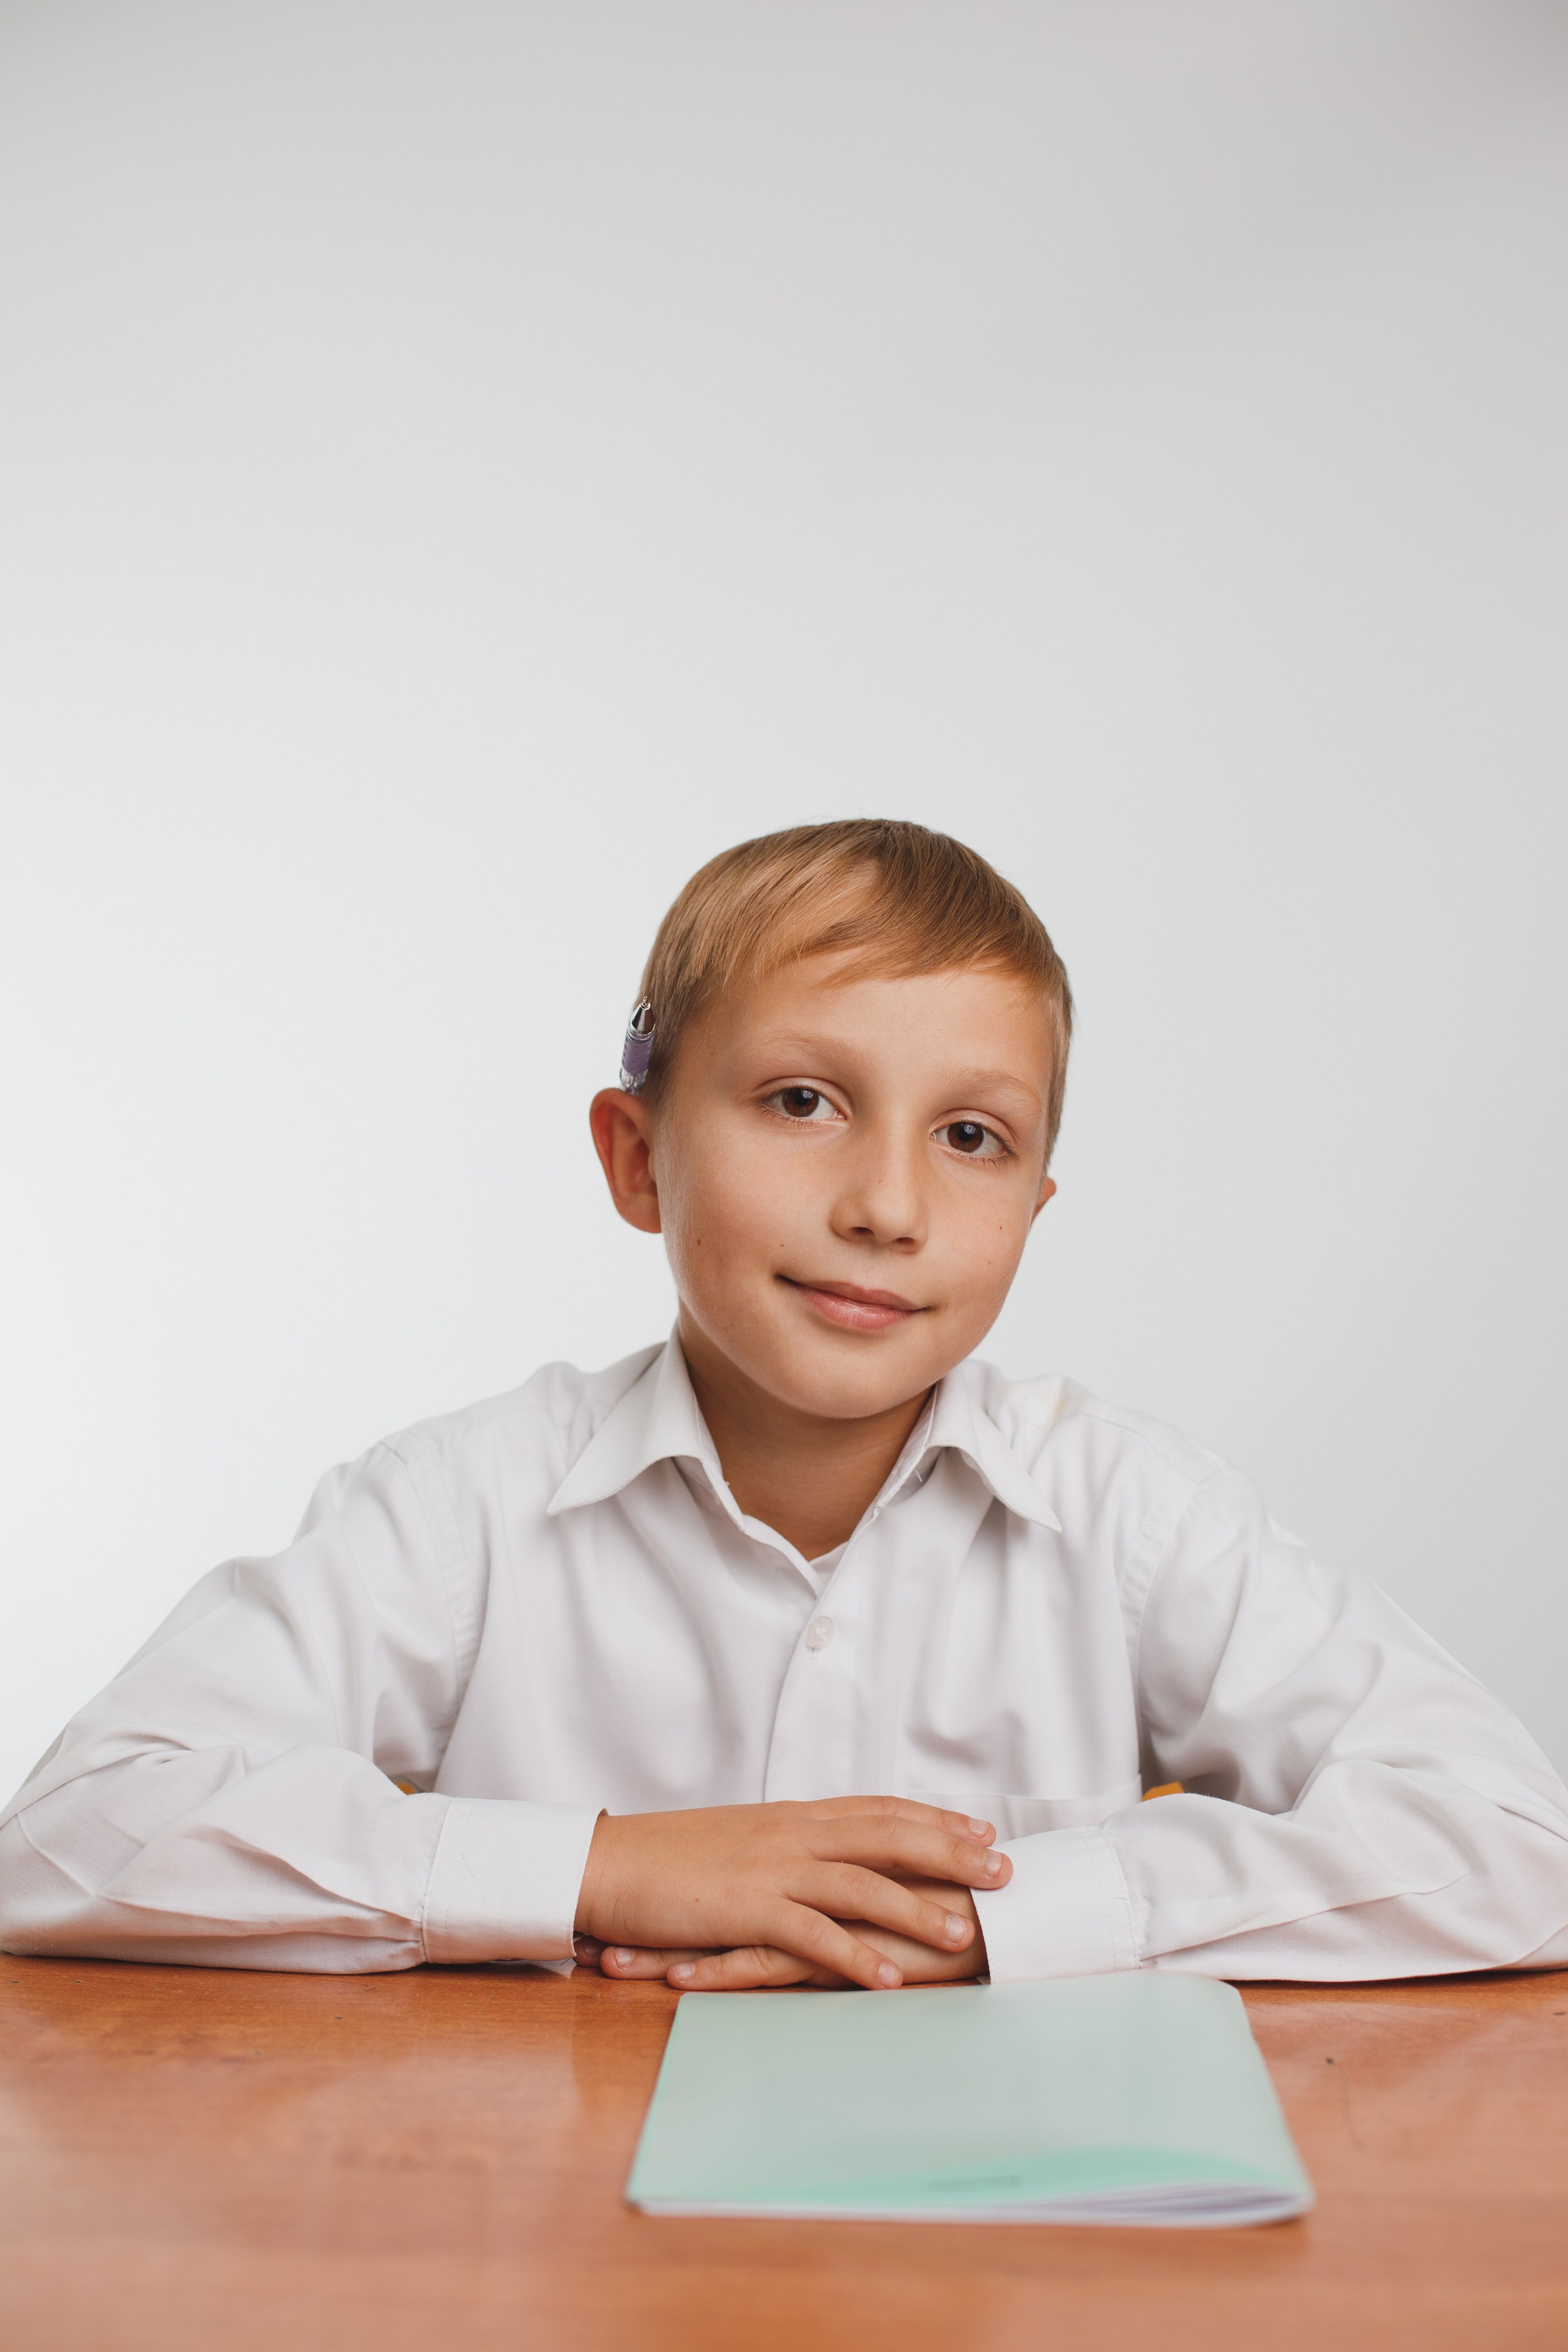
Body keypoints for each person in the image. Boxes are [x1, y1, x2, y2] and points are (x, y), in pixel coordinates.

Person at [3, 819, 1566, 1990]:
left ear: (1036, 1203)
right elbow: (72, 1833)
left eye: (971, 1136)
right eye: (802, 1101)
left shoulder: (1132, 1516)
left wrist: (1009, 1919)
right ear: (637, 1158)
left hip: (1009, 2237)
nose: (887, 1205)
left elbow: (1515, 1842)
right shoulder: (460, 1505)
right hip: (561, 2225)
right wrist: (605, 1869)